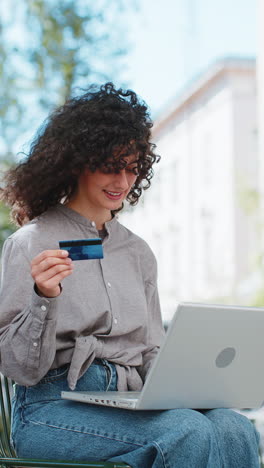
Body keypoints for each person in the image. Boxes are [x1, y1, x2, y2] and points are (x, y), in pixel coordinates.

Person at [0, 82, 260, 468]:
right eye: (110, 167)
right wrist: (43, 297)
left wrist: (187, 387)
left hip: (131, 400)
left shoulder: (137, 253)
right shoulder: (30, 243)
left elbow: (151, 349)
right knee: (187, 432)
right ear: (75, 163)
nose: (122, 182)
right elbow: (20, 368)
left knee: (234, 427)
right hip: (50, 409)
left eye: (131, 168)